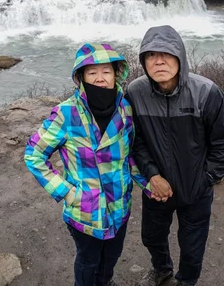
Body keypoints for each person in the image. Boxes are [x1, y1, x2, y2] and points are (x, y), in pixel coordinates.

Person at [24, 43, 152, 286]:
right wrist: (66, 192)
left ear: (117, 74)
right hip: (84, 211)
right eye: (92, 73)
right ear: (81, 77)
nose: (100, 79)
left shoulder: (124, 109)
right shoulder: (66, 114)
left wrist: (146, 183)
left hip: (119, 205)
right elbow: (33, 153)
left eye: (106, 72)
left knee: (111, 256)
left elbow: (130, 154)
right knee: (87, 261)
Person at [126, 26, 224, 286]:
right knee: (152, 236)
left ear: (180, 57)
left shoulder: (206, 92)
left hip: (196, 189)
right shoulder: (135, 93)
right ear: (143, 61)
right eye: (151, 55)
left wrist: (206, 179)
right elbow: (136, 141)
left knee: (192, 244)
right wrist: (152, 175)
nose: (159, 60)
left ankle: (186, 281)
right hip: (157, 188)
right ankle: (162, 268)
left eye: (167, 53)